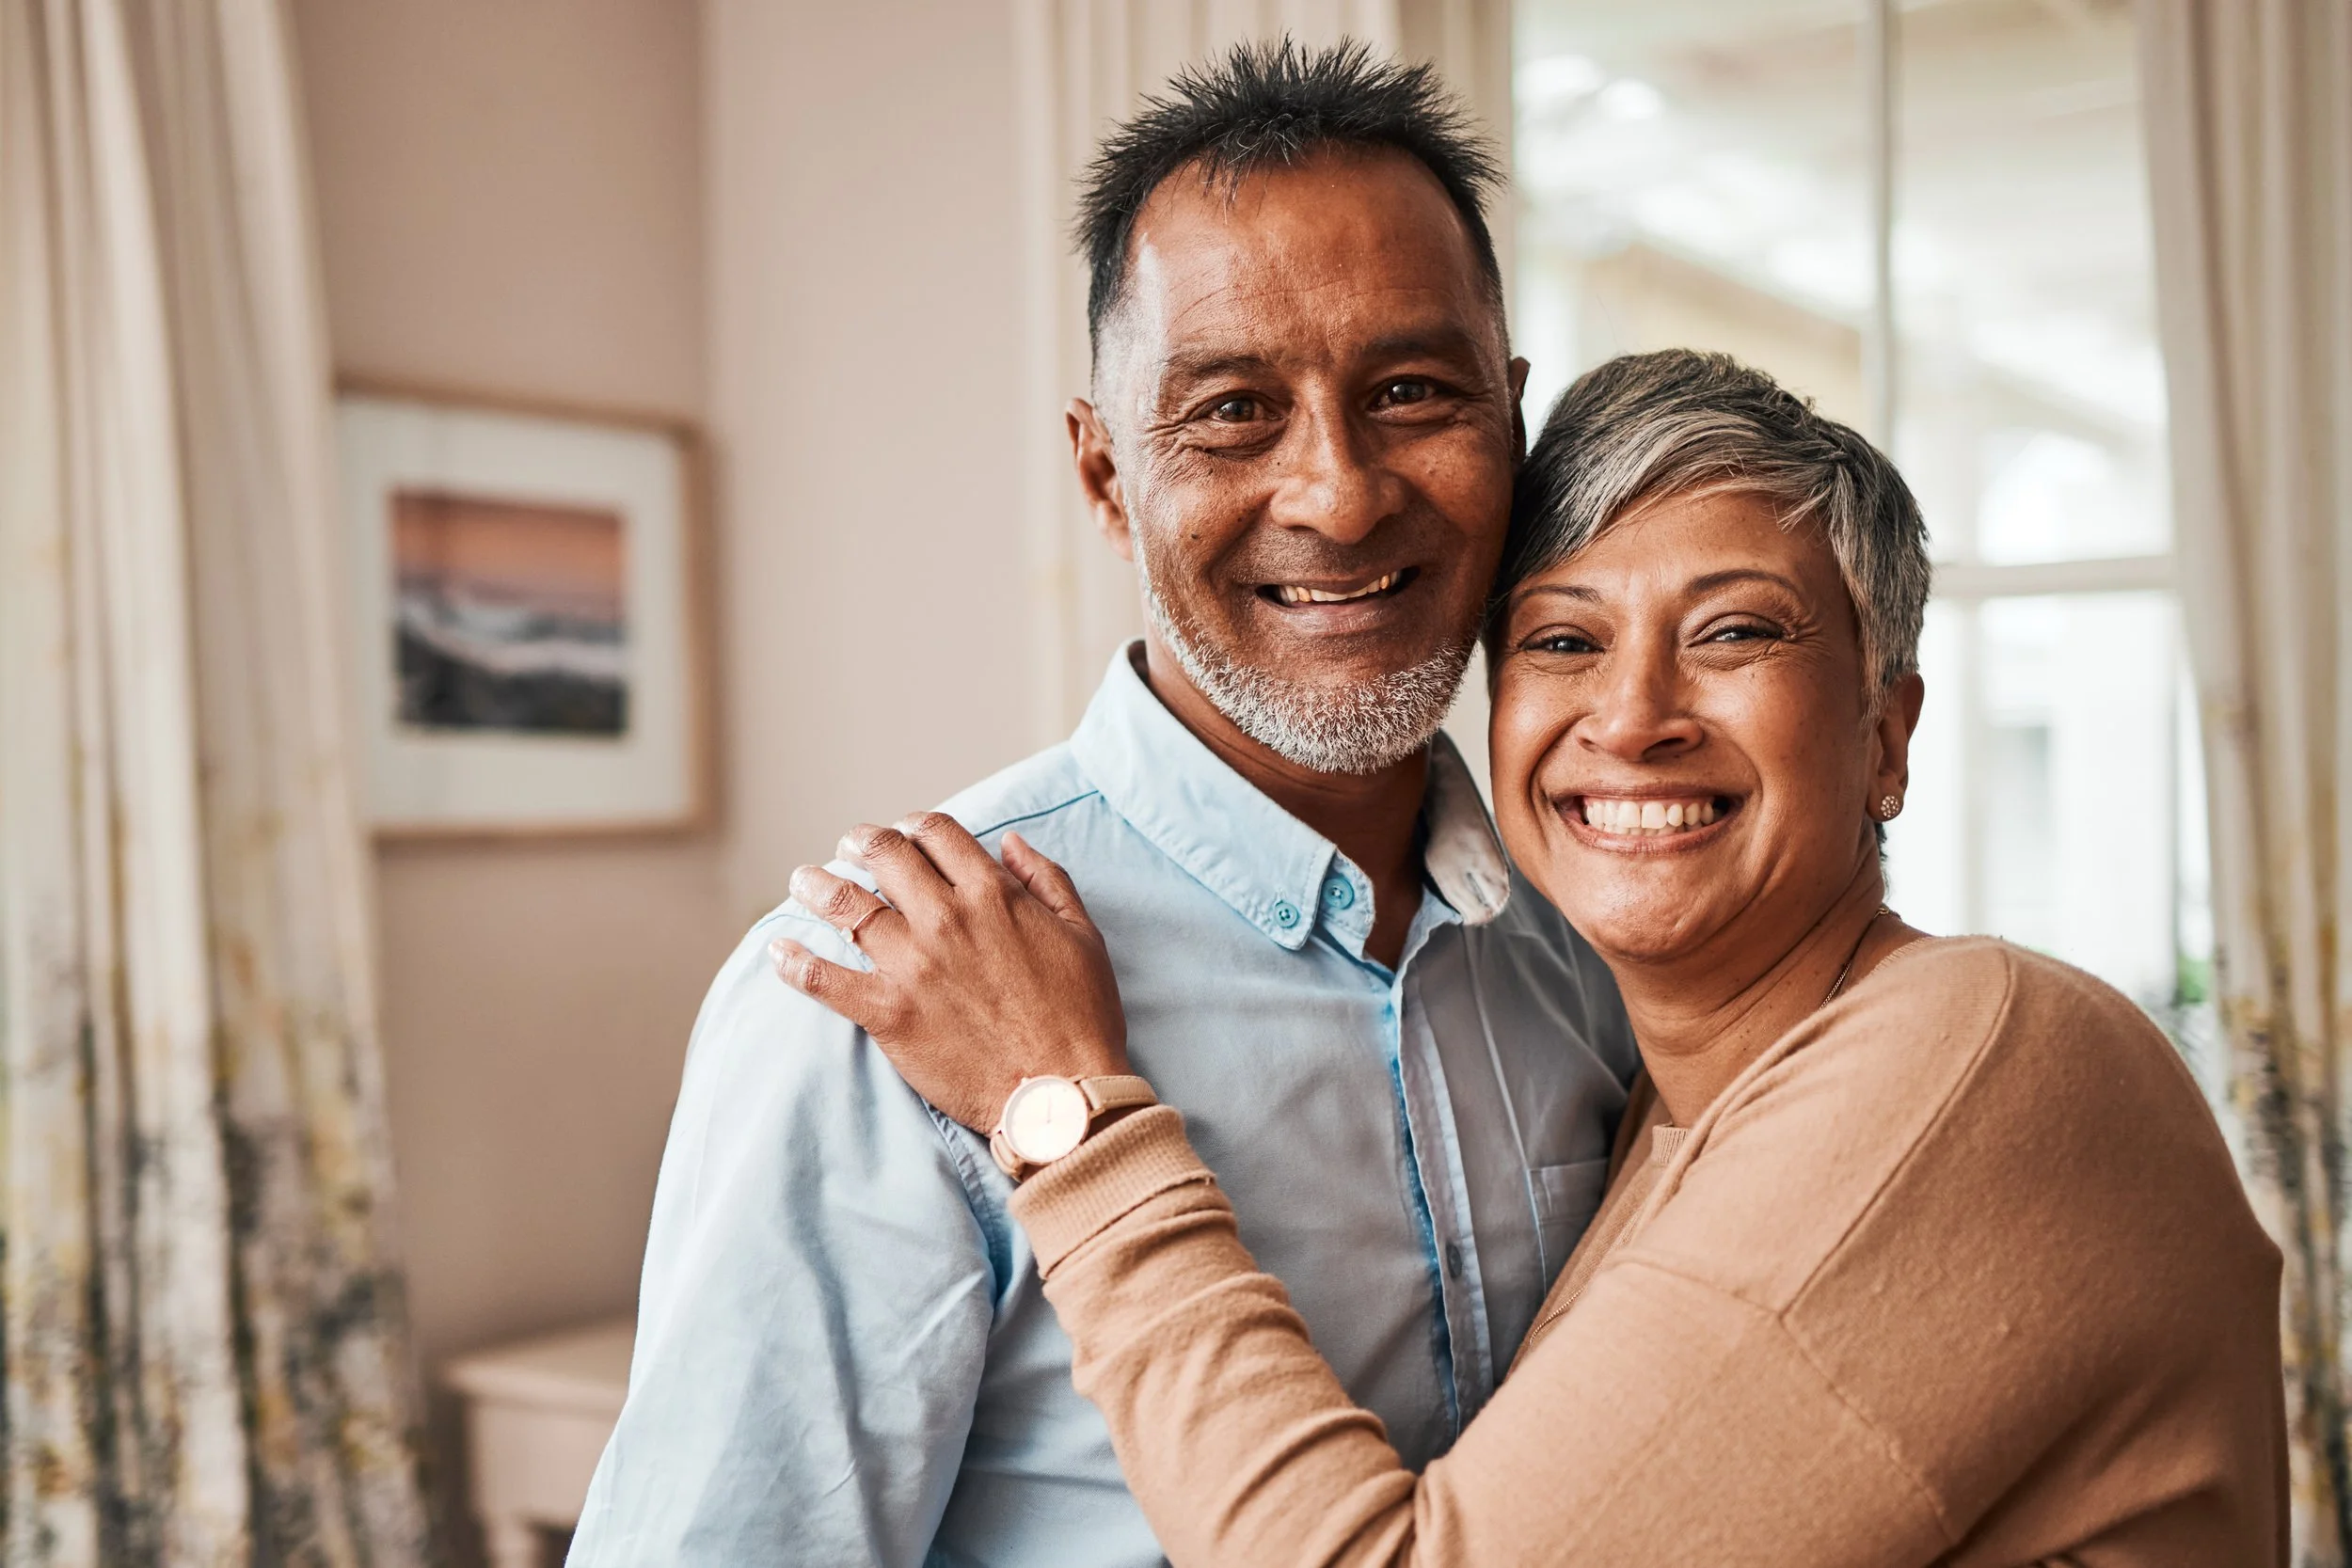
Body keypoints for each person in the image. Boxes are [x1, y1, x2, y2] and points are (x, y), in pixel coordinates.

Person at [779, 349, 2290, 1565]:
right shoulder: (1642, 1076)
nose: (1632, 717)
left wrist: (1070, 1112)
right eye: (1563, 641)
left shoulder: (1982, 1054)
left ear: (1886, 735)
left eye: (1737, 632)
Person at [566, 41, 1636, 1568]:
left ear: (1511, 426)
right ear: (1104, 471)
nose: (1338, 493)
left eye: (1411, 391)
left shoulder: (1586, 950)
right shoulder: (887, 992)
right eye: (1231, 411)